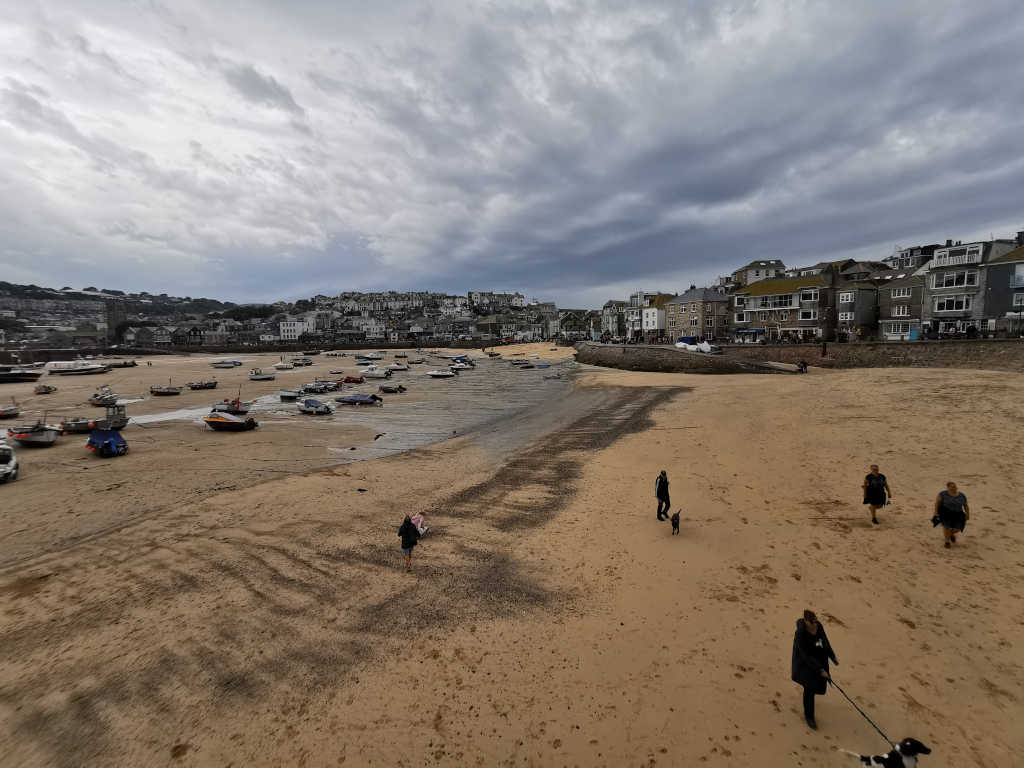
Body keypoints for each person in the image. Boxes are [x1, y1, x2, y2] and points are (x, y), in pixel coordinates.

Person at [791, 609, 838, 730]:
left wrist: (832, 655)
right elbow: (805, 656)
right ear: (806, 622)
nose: (815, 625)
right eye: (812, 623)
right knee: (809, 689)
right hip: (805, 665)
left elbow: (825, 641)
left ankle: (809, 709)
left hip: (819, 661)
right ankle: (809, 716)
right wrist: (820, 670)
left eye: (816, 622)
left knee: (817, 685)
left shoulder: (818, 626)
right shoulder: (800, 634)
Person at [935, 482, 969, 548]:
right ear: (948, 488)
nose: (954, 488)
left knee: (958, 528)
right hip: (946, 513)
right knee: (946, 527)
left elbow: (966, 505)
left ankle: (950, 534)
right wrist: (936, 512)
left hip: (958, 513)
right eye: (952, 487)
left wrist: (968, 514)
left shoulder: (962, 495)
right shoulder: (943, 494)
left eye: (955, 486)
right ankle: (947, 542)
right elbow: (937, 503)